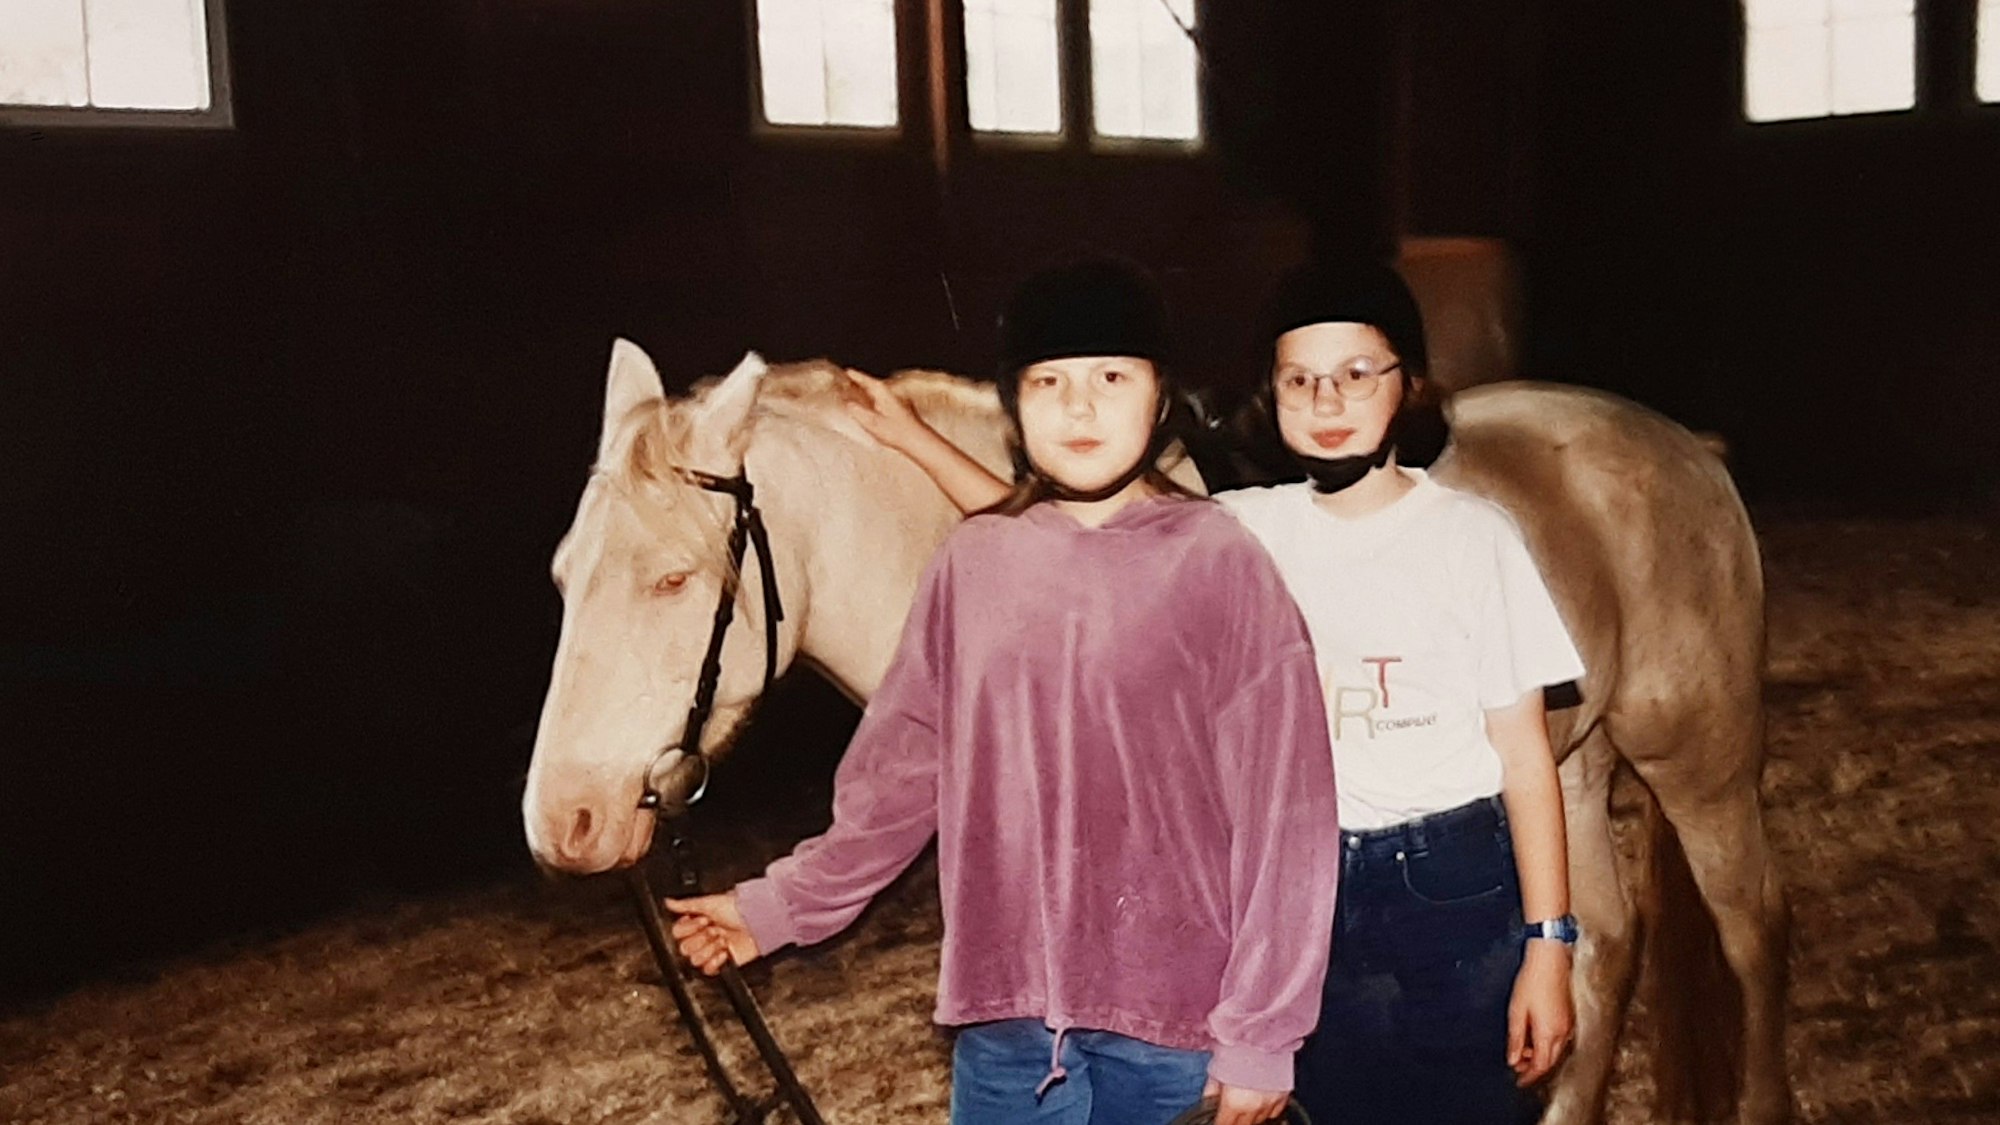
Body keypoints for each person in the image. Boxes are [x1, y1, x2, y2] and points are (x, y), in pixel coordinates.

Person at [841, 257, 1584, 1123]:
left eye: (1356, 375)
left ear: (1408, 385)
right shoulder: (1243, 528)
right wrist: (911, 439)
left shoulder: (1471, 535)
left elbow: (1526, 754)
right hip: (1304, 897)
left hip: (1449, 883)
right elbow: (1070, 537)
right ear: (1271, 396)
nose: (1328, 401)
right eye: (1299, 380)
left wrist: (1551, 943)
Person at [666, 256, 1340, 1125]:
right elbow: (901, 774)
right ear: (1015, 408)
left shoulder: (1220, 561)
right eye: (1048, 381)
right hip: (1006, 1021)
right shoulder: (973, 561)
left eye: (1110, 376)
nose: (1081, 406)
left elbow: (1287, 813)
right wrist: (780, 904)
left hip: (1174, 1025)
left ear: (1159, 395)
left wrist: (1261, 1031)